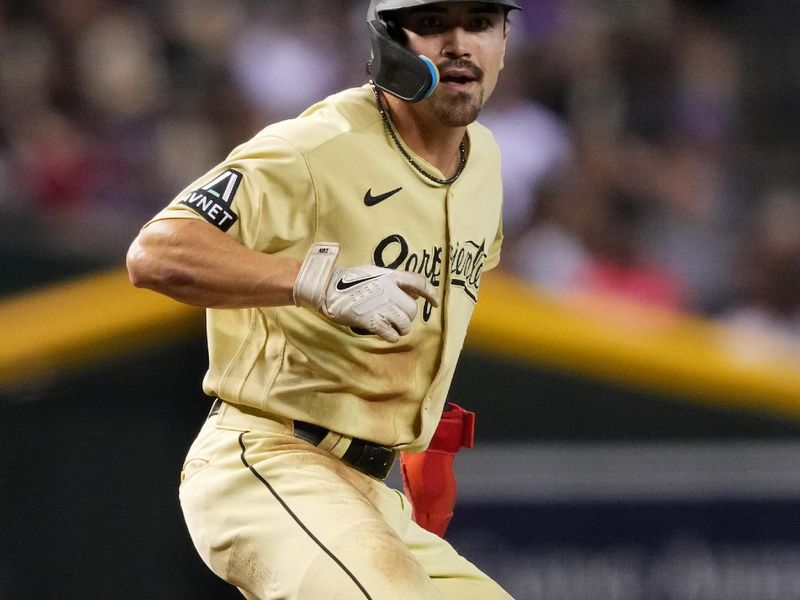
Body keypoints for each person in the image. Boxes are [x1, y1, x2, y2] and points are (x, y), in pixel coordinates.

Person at [126, 1, 518, 598]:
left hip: (369, 492)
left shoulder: (484, 160)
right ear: (388, 41)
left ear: (505, 41)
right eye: (434, 24)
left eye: (480, 23)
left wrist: (419, 448)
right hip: (267, 459)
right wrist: (316, 281)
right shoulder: (319, 144)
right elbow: (156, 252)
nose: (460, 43)